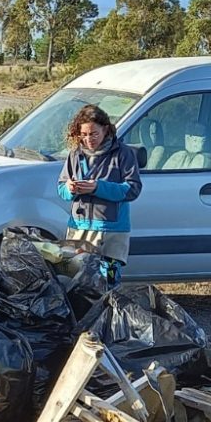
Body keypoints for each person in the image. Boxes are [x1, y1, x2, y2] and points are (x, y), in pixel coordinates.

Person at [57, 104, 142, 287]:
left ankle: (108, 315)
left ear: (105, 129)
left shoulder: (123, 154)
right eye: (84, 134)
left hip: (110, 230)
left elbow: (133, 189)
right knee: (76, 285)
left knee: (106, 285)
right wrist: (70, 188)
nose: (89, 139)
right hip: (78, 228)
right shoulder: (75, 155)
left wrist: (98, 187)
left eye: (94, 134)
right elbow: (61, 189)